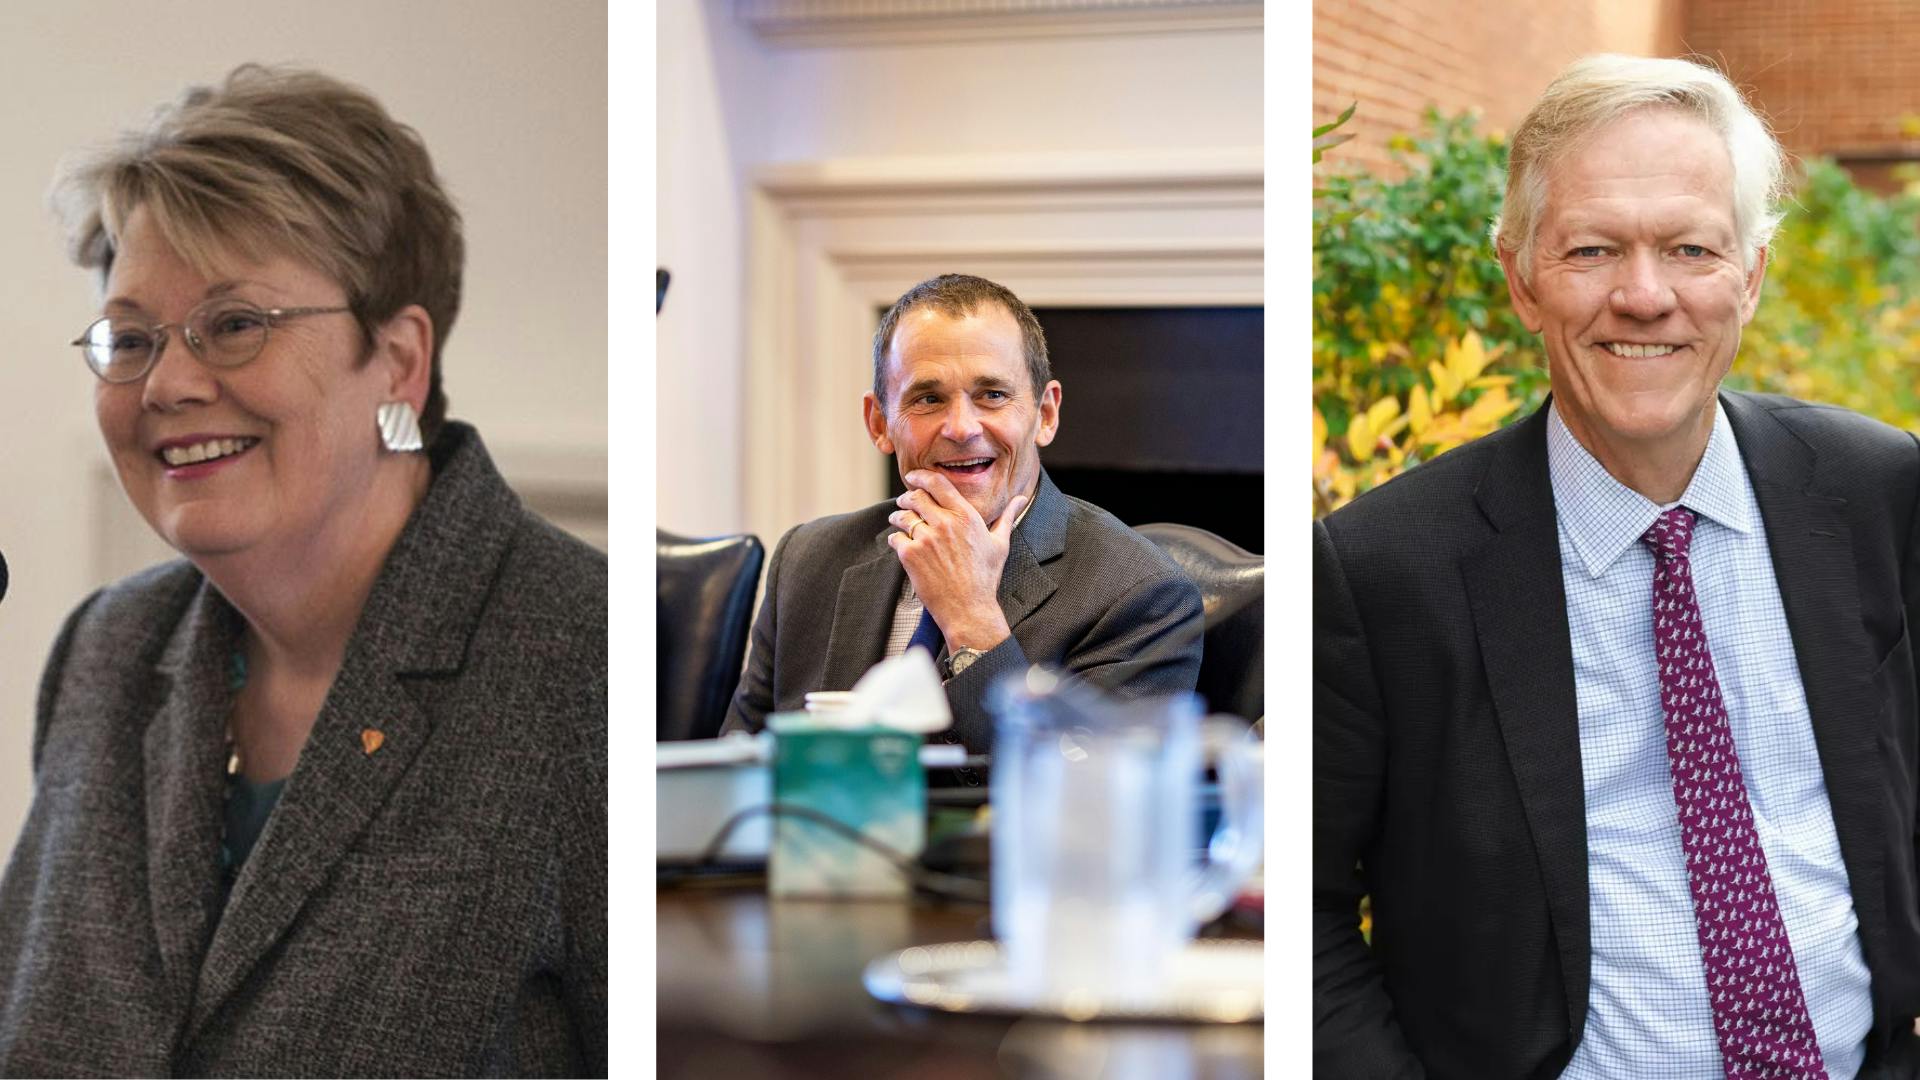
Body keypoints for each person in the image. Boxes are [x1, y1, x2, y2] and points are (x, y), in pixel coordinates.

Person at [1314, 54, 1920, 1078]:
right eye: (1593, 250)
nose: (1645, 297)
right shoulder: (1386, 569)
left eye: (1691, 248)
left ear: (1751, 276)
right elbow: (1309, 915)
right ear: (1521, 280)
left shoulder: (1877, 492)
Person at [0, 66, 607, 1076]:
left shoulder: (586, 668)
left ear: (401, 360)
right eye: (132, 338)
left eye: (235, 325)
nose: (169, 384)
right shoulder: (107, 649)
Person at [723, 273, 1204, 769]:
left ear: (1045, 414)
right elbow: (733, 774)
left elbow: (1092, 811)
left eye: (992, 394)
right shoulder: (808, 560)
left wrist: (969, 616)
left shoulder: (1141, 595)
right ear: (879, 423)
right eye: (928, 399)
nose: (961, 427)